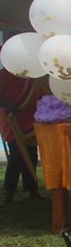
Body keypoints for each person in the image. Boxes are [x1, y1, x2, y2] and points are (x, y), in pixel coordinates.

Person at [0, 69, 42, 204]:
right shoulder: (4, 74)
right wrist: (8, 105)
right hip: (11, 118)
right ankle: (9, 192)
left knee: (31, 153)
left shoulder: (31, 73)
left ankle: (32, 190)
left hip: (29, 117)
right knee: (16, 155)